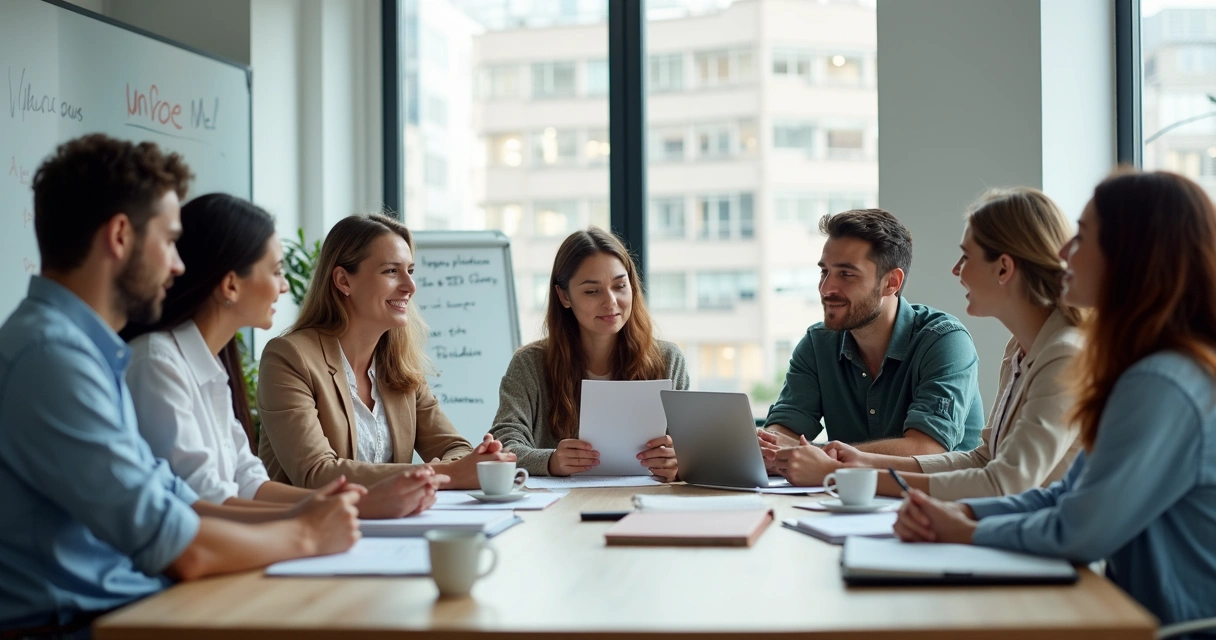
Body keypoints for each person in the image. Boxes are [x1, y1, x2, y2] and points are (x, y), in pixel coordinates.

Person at [0, 135, 360, 636]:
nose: (179, 263)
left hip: (128, 611)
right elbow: (177, 545)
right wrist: (304, 534)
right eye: (169, 240)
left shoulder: (86, 352)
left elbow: (177, 504)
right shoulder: (52, 359)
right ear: (120, 236)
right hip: (80, 624)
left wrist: (312, 516)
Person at [892, 171, 1216, 632]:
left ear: (1132, 256)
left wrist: (968, 530)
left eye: (1081, 237)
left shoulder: (1162, 382)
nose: (1063, 254)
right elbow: (1068, 493)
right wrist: (964, 512)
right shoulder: (1146, 369)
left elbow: (1081, 529)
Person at [123, 194, 443, 519]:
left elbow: (249, 483)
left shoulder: (209, 366)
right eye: (276, 271)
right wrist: (345, 511)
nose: (285, 287)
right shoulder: (157, 363)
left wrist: (348, 506)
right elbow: (206, 504)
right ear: (231, 285)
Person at [772, 189, 1084, 498]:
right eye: (825, 272)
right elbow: (984, 460)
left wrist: (837, 471)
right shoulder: (1019, 348)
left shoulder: (1063, 355)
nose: (956, 270)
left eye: (966, 256)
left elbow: (1000, 482)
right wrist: (859, 462)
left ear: (1003, 268)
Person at [257, 214, 512, 490]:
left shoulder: (397, 364)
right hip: (313, 529)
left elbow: (454, 446)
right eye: (391, 271)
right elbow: (317, 473)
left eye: (410, 271)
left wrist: (472, 462)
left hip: (392, 527)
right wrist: (439, 474)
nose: (410, 287)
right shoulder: (290, 358)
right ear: (344, 281)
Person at [758, 208, 985, 479]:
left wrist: (818, 457)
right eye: (824, 272)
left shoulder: (944, 341)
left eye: (846, 274)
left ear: (891, 282)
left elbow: (926, 448)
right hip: (849, 506)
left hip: (937, 509)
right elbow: (783, 430)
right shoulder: (818, 344)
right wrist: (769, 444)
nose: (826, 288)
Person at [490, 227, 689, 480]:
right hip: (558, 511)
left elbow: (690, 448)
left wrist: (678, 462)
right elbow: (503, 443)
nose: (611, 302)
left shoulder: (668, 359)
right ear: (564, 296)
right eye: (592, 291)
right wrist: (551, 461)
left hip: (646, 503)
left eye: (619, 286)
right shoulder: (530, 363)